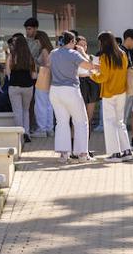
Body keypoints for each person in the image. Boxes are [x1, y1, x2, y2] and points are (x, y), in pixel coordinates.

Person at [49, 31, 96, 163]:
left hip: (55, 90)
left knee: (61, 122)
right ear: (71, 42)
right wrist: (82, 52)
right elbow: (88, 66)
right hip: (70, 90)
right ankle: (82, 154)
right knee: (81, 121)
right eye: (74, 42)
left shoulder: (53, 53)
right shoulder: (74, 54)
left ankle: (64, 155)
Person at [91, 30, 132, 161]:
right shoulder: (122, 54)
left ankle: (115, 153)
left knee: (109, 123)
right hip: (122, 91)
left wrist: (92, 74)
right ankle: (127, 151)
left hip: (109, 92)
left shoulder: (104, 57)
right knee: (120, 122)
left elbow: (103, 77)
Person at [5, 34, 36, 143]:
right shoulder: (29, 56)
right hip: (28, 86)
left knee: (17, 111)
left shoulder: (11, 56)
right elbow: (33, 75)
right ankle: (27, 133)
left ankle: (20, 135)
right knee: (26, 110)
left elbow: (7, 72)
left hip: (14, 85)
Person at [77, 34, 101, 131]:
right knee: (79, 115)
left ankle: (87, 137)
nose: (83, 47)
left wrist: (83, 54)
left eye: (85, 45)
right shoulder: (73, 57)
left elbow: (97, 70)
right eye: (81, 45)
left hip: (91, 84)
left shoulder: (92, 57)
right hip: (79, 84)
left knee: (89, 115)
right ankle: (75, 137)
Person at [32, 30, 54, 137]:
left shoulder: (44, 50)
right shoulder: (50, 50)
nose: (36, 44)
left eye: (37, 41)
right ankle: (49, 128)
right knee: (49, 105)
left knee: (40, 105)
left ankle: (42, 129)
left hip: (43, 78)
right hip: (51, 80)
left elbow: (46, 65)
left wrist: (36, 66)